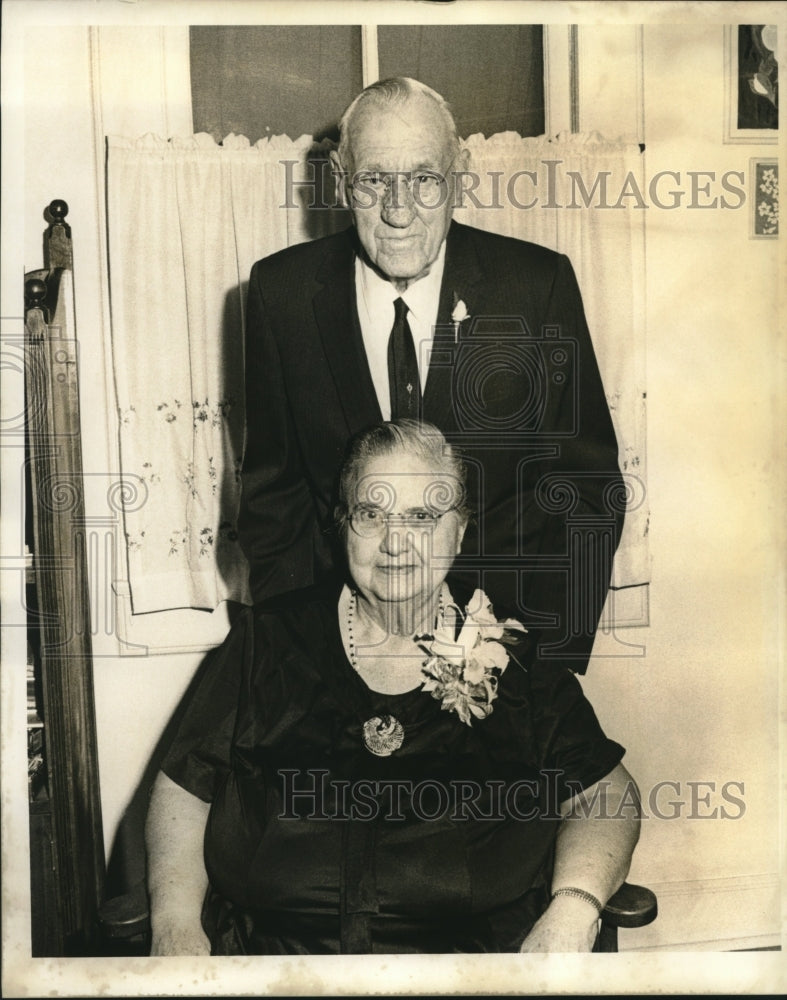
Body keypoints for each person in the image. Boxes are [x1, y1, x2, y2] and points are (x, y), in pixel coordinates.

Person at [147, 421, 639, 955]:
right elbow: (184, 787)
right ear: (344, 525)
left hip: (467, 968)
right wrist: (173, 920)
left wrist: (574, 909)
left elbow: (605, 793)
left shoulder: (516, 657)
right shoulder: (265, 641)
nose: (395, 542)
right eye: (371, 514)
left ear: (461, 530)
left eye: (422, 516)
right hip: (278, 959)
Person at [238, 76, 625, 676]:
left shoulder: (535, 286)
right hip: (341, 654)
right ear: (341, 179)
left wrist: (546, 662)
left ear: (460, 175)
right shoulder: (279, 295)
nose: (398, 211)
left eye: (423, 179)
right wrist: (304, 661)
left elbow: (587, 489)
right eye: (373, 181)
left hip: (510, 651)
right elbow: (274, 500)